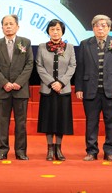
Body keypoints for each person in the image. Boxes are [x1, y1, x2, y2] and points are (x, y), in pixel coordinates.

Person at [75, 14, 112, 162]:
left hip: (111, 90)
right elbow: (80, 68)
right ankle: (91, 151)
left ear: (109, 28)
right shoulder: (85, 44)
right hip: (90, 89)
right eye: (97, 25)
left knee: (111, 122)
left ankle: (110, 151)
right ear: (92, 28)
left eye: (104, 25)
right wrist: (79, 88)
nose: (100, 28)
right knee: (91, 122)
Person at [0, 14, 33, 160]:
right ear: (1, 27)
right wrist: (5, 83)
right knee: (3, 122)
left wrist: (18, 83)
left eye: (11, 24)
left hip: (20, 90)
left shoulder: (25, 43)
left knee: (21, 123)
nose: (8, 26)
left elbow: (29, 64)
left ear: (17, 26)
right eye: (5, 24)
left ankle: (20, 151)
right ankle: (2, 150)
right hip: (3, 90)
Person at [36, 19, 76, 161]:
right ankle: (49, 149)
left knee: (61, 120)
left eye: (58, 29)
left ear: (62, 31)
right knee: (48, 120)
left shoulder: (69, 47)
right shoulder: (42, 47)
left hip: (63, 90)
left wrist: (61, 83)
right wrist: (52, 83)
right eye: (52, 29)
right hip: (48, 89)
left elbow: (72, 66)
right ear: (48, 31)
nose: (55, 32)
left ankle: (58, 148)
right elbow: (39, 67)